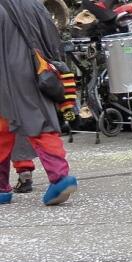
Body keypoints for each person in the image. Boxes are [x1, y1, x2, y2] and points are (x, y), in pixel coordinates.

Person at [0, 0, 78, 206]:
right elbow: (53, 41)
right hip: (37, 70)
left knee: (2, 128)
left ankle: (1, 187)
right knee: (40, 124)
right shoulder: (33, 4)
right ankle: (60, 178)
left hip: (5, 76)